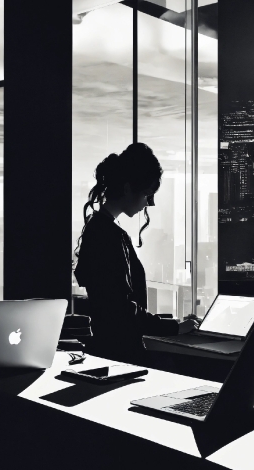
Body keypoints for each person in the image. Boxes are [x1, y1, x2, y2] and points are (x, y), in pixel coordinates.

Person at [73, 143, 199, 365]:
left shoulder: (99, 229)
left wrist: (169, 322)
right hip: (119, 355)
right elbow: (121, 310)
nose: (149, 203)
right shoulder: (109, 236)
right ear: (128, 188)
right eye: (147, 194)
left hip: (110, 351)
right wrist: (175, 327)